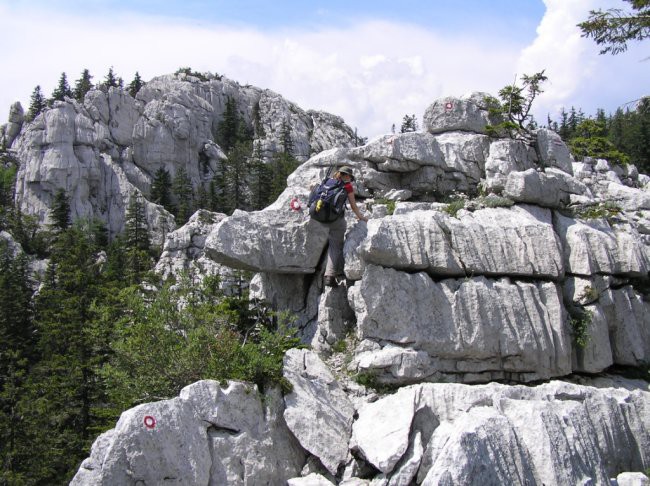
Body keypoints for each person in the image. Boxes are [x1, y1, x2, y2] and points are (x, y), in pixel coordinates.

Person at [321, 166, 368, 287]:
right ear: (347, 175)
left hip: (320, 217)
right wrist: (361, 217)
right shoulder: (347, 186)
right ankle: (329, 276)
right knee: (335, 245)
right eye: (349, 177)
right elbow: (353, 206)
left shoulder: (328, 181)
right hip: (336, 219)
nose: (350, 179)